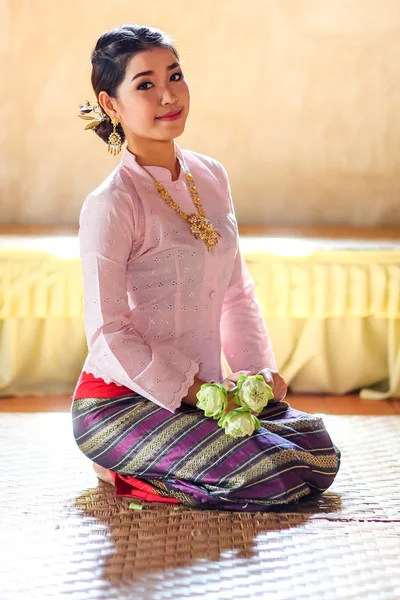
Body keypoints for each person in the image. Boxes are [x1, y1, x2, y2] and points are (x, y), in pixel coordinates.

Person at [71, 24, 340, 511]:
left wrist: (258, 377)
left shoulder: (212, 176)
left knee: (318, 449)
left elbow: (236, 292)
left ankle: (172, 455)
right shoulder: (110, 204)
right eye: (145, 84)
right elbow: (108, 333)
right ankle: (121, 465)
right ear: (111, 104)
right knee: (269, 472)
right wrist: (197, 393)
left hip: (210, 394)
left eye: (175, 75)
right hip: (121, 400)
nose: (169, 95)